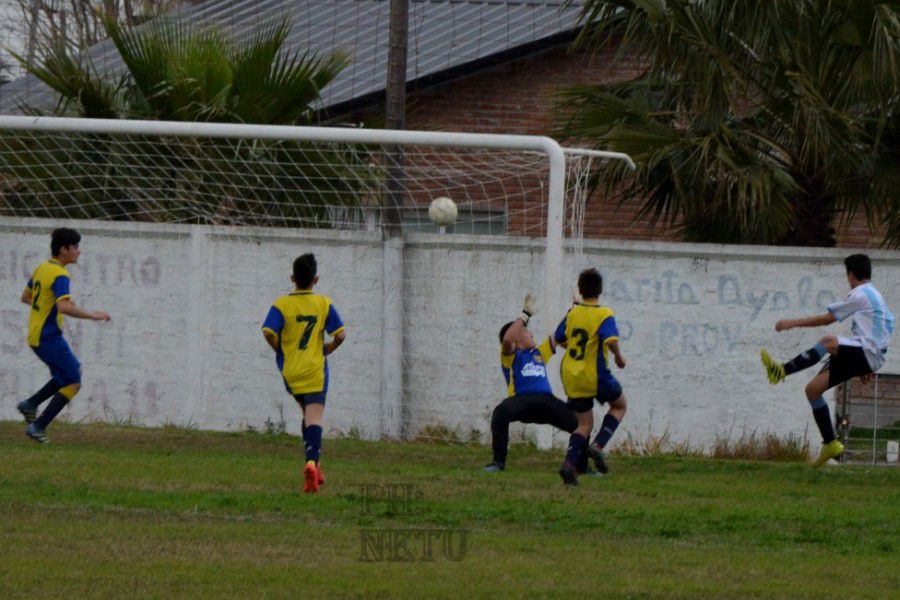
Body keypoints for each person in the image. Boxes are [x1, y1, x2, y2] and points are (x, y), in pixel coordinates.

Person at [761, 254, 894, 467]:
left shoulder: (860, 294)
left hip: (868, 353)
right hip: (867, 354)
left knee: (829, 342)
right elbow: (887, 325)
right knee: (813, 390)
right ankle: (830, 443)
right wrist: (868, 363)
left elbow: (827, 319)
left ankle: (781, 371)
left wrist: (791, 323)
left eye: (847, 275)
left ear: (851, 274)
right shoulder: (874, 295)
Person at [262, 253, 346, 493]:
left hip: (291, 371)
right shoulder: (323, 303)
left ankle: (316, 466)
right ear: (315, 280)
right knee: (315, 419)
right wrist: (328, 348)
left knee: (308, 416)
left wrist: (280, 348)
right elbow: (340, 334)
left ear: (292, 278)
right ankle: (311, 463)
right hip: (314, 370)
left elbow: (268, 332)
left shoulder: (281, 304)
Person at [17, 227, 111, 443]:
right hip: (47, 336)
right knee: (74, 381)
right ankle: (38, 426)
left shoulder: (43, 268)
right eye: (76, 247)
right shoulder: (60, 274)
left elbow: (26, 297)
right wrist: (93, 315)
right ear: (64, 249)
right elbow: (64, 308)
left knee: (69, 373)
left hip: (37, 335)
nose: (79, 251)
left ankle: (30, 404)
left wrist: (49, 306)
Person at [484, 294, 579, 473]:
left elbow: (557, 335)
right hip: (521, 400)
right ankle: (498, 463)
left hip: (546, 401)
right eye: (527, 332)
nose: (531, 333)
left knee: (579, 424)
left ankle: (580, 466)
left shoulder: (538, 353)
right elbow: (507, 340)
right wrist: (525, 314)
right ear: (518, 337)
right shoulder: (509, 356)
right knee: (500, 412)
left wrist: (573, 309)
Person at [554, 268, 628, 485]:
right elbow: (610, 339)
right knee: (620, 406)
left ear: (580, 290)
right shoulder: (604, 314)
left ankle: (569, 467)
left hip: (571, 375)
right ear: (601, 290)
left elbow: (559, 337)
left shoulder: (573, 312)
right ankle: (596, 447)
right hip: (594, 375)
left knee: (584, 424)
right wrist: (619, 358)